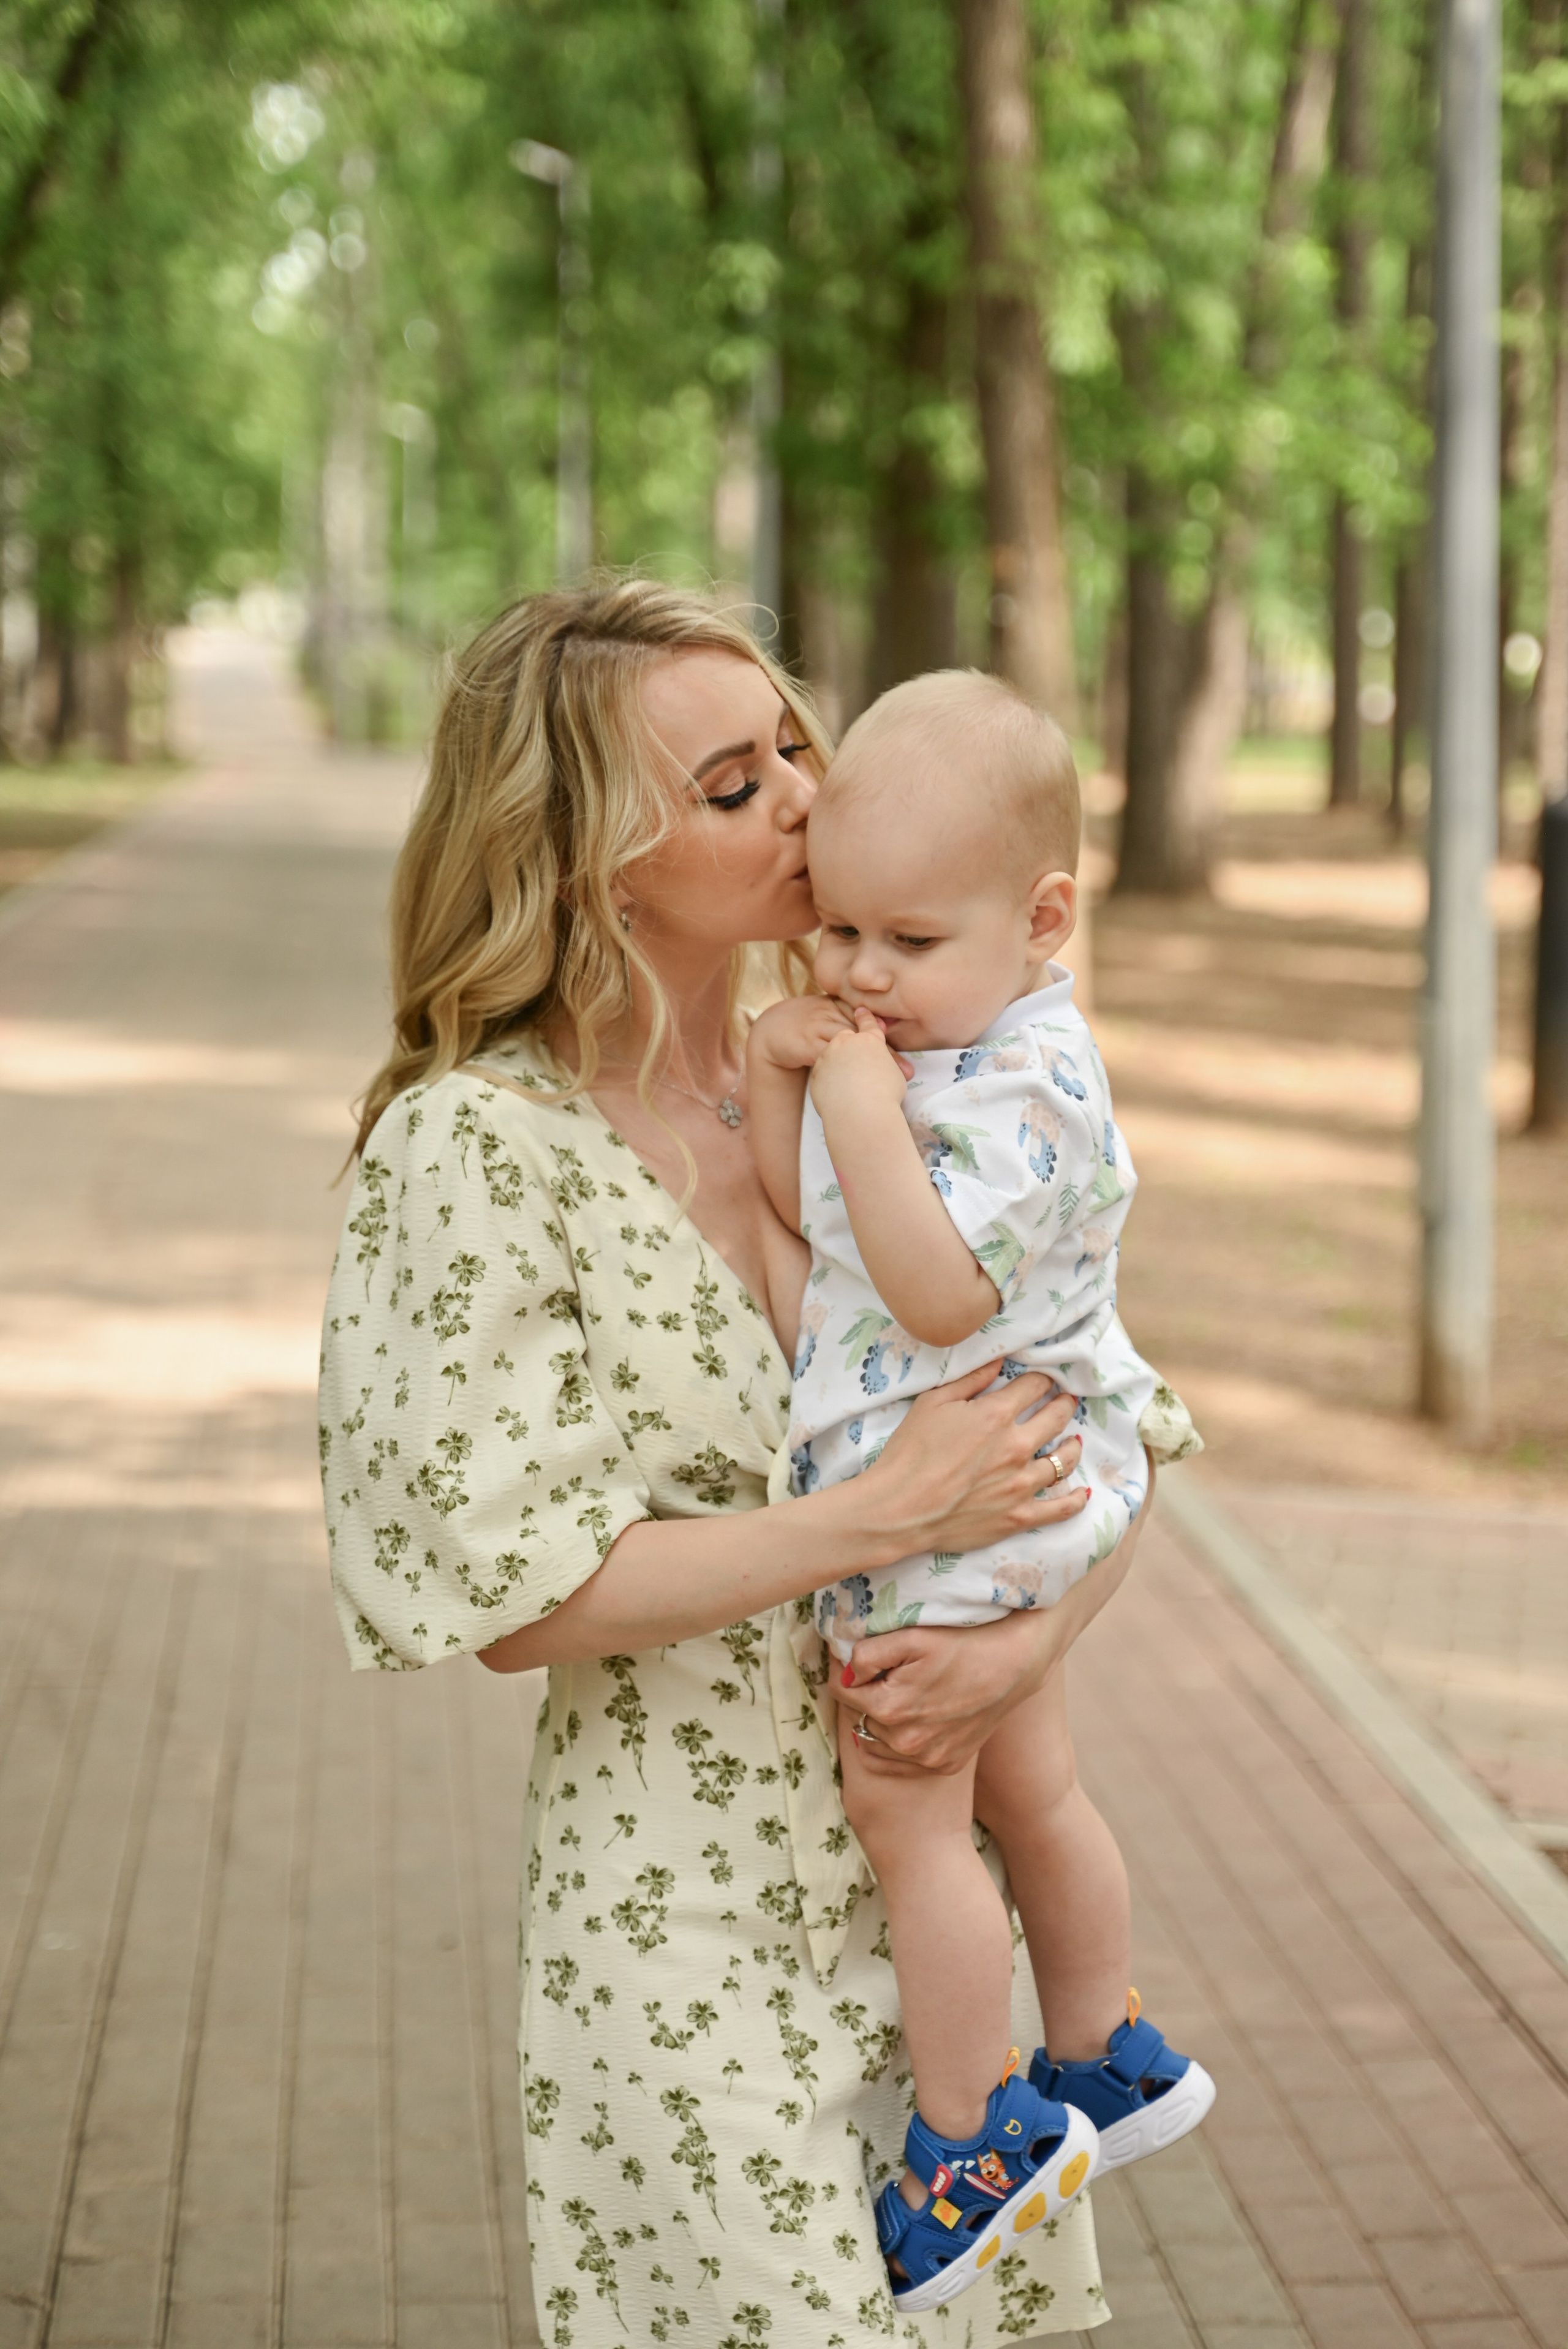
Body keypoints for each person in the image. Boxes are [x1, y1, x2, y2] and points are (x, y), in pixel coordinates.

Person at [318, 579, 1188, 2348]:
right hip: (689, 1937)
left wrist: (1022, 1647)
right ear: (587, 858)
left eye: (793, 745)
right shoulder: (474, 1153)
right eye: (731, 786)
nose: (803, 794)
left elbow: (1107, 1424)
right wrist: (871, 1520)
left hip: (936, 1940)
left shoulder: (905, 1051)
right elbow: (517, 1592)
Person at [746, 672, 1213, 2315]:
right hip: (990, 1490)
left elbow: (934, 1292)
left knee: (910, 1819)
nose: (866, 976)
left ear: (1044, 917)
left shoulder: (1026, 1082)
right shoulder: (954, 1039)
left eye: (909, 942)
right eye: (842, 933)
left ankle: (973, 2132)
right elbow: (823, 1258)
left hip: (966, 1497)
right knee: (1032, 1784)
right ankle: (1108, 2051)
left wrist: (855, 1095)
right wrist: (801, 1077)